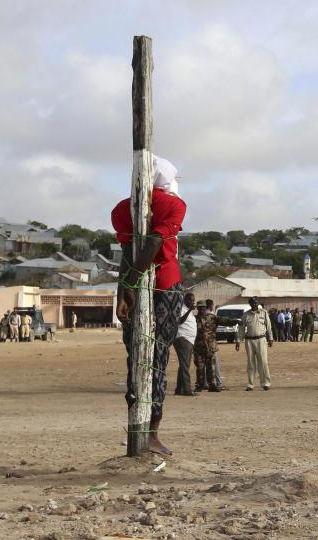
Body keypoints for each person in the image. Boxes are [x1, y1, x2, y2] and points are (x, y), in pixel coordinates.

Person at [112, 155, 186, 455]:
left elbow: (127, 254)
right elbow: (155, 243)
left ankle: (137, 427)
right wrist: (130, 286)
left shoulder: (121, 209)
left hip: (133, 289)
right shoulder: (173, 204)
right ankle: (151, 431)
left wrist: (124, 292)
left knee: (135, 357)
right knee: (156, 360)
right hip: (165, 287)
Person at [194, 300, 236, 392]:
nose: (201, 310)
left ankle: (212, 385)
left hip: (211, 347)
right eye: (199, 308)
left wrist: (235, 321)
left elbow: (224, 321)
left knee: (211, 368)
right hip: (199, 348)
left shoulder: (212, 318)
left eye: (203, 308)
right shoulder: (194, 319)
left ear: (206, 308)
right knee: (200, 368)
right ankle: (200, 385)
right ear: (197, 309)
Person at [235, 297, 273, 391]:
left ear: (258, 303)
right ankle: (250, 384)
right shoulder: (246, 315)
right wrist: (238, 341)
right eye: (252, 303)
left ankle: (266, 383)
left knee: (263, 362)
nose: (254, 304)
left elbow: (269, 327)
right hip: (249, 341)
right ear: (250, 304)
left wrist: (271, 338)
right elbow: (241, 329)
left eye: (256, 303)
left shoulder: (263, 313)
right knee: (251, 363)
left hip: (261, 340)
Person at [173, 292, 198, 396]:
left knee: (184, 365)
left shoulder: (188, 310)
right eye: (190, 300)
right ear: (184, 300)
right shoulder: (182, 309)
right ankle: (187, 390)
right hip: (182, 339)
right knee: (185, 365)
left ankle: (179, 389)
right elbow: (179, 321)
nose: (192, 302)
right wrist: (189, 311)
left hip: (188, 340)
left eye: (193, 300)